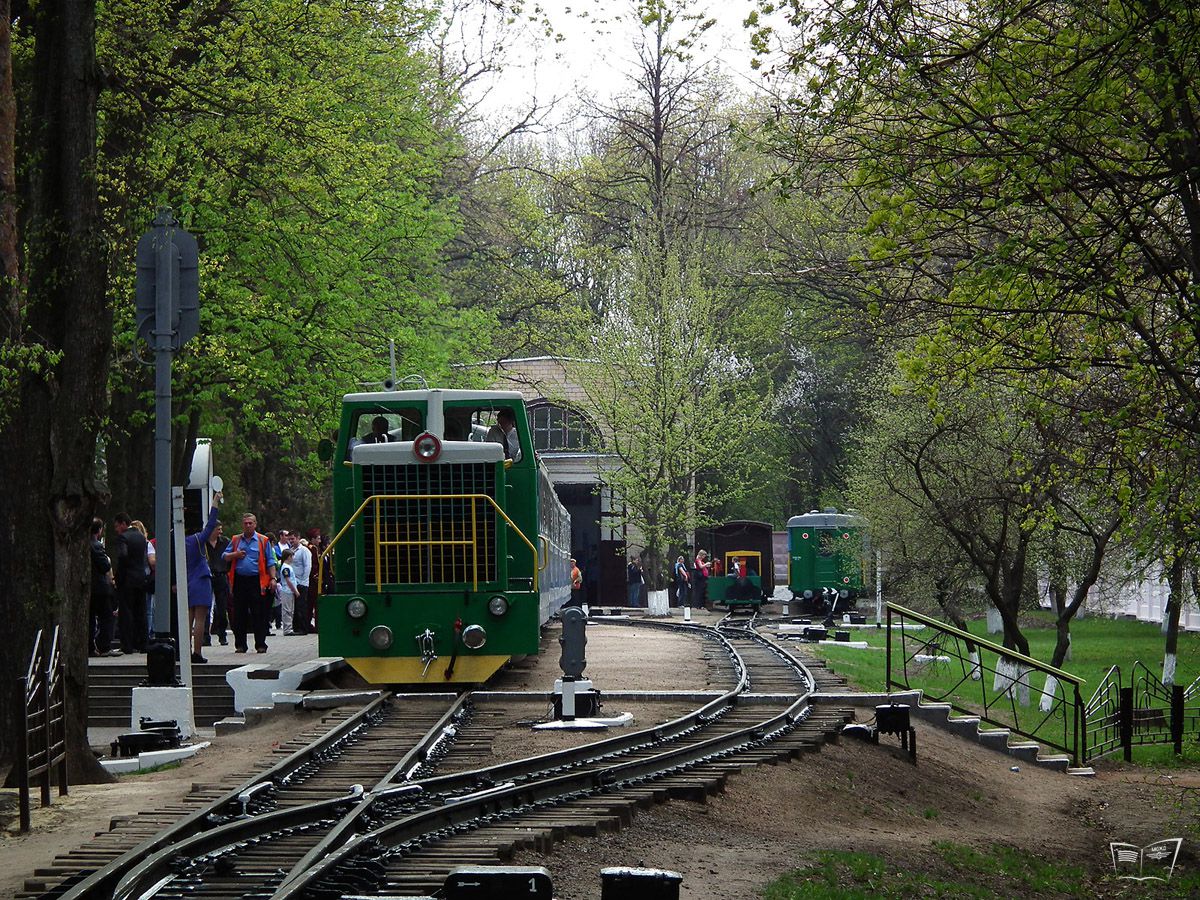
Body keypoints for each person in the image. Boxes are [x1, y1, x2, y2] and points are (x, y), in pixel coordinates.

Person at [223, 512, 279, 653]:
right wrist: (235, 554)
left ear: (255, 524)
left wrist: (273, 579)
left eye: (250, 523)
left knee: (258, 614)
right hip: (239, 581)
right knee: (239, 614)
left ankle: (260, 644)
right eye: (245, 523)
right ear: (242, 525)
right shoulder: (236, 540)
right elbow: (224, 556)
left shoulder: (263, 540)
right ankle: (240, 645)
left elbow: (270, 562)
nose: (248, 525)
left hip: (257, 581)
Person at [183, 493, 222, 663]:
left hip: (188, 580)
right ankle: (197, 652)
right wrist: (215, 503)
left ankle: (185, 650)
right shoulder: (197, 539)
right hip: (201, 578)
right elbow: (211, 524)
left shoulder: (180, 541)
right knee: (200, 619)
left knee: (188, 618)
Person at [113, 512, 149, 654]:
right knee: (141, 611)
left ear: (123, 523)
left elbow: (122, 556)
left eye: (117, 526)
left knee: (126, 612)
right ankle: (143, 643)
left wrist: (118, 576)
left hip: (127, 579)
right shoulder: (141, 537)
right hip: (140, 577)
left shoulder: (123, 538)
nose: (116, 529)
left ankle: (127, 644)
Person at [89, 518, 118, 657]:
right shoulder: (96, 546)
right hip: (99, 588)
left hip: (89, 588)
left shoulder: (83, 544)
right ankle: (104, 645)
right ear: (99, 530)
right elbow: (105, 566)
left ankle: (90, 645)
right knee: (107, 616)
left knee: (90, 618)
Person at [205, 518, 231, 646]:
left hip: (221, 576)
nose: (220, 532)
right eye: (218, 529)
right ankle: (205, 635)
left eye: (221, 529)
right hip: (207, 577)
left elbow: (230, 558)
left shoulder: (225, 542)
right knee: (205, 607)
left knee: (221, 608)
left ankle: (222, 634)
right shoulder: (203, 543)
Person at [287, 530, 313, 635]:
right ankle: (296, 627)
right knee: (295, 606)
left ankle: (303, 628)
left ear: (298, 538)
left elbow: (307, 566)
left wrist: (303, 580)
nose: (291, 541)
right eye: (290, 539)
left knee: (301, 605)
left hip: (301, 583)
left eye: (292, 539)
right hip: (293, 582)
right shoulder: (291, 550)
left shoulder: (304, 551)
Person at [277, 548, 299, 635]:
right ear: (289, 557)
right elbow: (288, 581)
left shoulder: (288, 567)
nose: (293, 558)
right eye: (292, 556)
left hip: (289, 591)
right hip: (287, 591)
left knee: (290, 610)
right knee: (287, 610)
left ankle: (289, 628)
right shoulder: (286, 568)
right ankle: (287, 629)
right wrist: (295, 590)